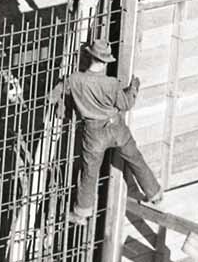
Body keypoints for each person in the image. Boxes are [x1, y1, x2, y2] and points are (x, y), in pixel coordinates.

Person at [54, 38, 162, 225]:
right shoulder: (111, 84)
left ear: (90, 57)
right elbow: (125, 104)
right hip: (116, 127)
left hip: (93, 132)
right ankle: (154, 193)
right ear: (104, 62)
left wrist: (59, 107)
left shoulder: (75, 79)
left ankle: (81, 213)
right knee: (135, 158)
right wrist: (134, 86)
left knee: (89, 173)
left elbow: (56, 93)